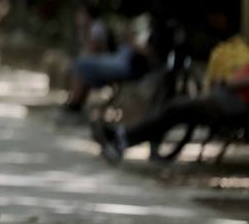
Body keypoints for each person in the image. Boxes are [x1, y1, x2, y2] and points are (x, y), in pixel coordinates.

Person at [93, 35, 249, 165]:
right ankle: (122, 137)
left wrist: (228, 83)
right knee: (174, 107)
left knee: (176, 108)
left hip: (236, 102)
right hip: (227, 97)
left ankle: (122, 138)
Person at [62, 13, 148, 114]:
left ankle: (74, 106)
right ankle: (75, 104)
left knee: (81, 64)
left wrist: (133, 42)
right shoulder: (88, 29)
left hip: (130, 61)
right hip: (124, 55)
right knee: (80, 65)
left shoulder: (96, 28)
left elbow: (93, 49)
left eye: (80, 15)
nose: (78, 19)